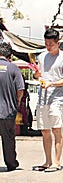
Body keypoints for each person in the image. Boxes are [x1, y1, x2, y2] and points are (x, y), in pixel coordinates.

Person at [33, 28, 63, 171]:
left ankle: (57, 161)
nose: (48, 46)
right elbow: (37, 75)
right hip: (42, 98)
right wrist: (37, 74)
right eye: (46, 43)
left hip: (57, 98)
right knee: (44, 130)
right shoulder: (42, 56)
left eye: (51, 43)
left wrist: (52, 83)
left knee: (56, 129)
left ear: (58, 43)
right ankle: (47, 161)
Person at [0, 41, 24, 171]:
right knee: (8, 139)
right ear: (10, 56)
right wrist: (17, 101)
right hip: (8, 111)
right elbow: (20, 89)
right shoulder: (14, 68)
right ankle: (11, 163)